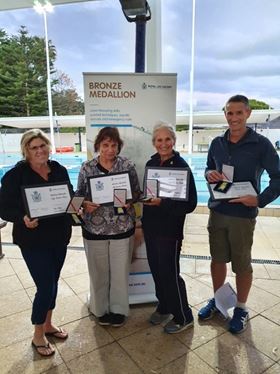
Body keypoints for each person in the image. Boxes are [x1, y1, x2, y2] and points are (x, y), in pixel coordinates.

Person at [198, 95, 280, 334]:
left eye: (238, 113)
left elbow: (278, 177)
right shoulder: (217, 143)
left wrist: (259, 199)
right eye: (229, 113)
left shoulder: (261, 144)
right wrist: (209, 173)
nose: (233, 118)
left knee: (242, 263)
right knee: (217, 260)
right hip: (218, 211)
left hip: (242, 216)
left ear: (248, 114)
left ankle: (241, 308)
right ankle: (219, 300)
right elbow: (207, 167)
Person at [0, 129, 72, 356]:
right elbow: (4, 207)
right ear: (26, 151)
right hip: (32, 239)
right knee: (45, 286)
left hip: (59, 236)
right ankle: (37, 334)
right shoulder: (15, 176)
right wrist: (22, 218)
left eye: (43, 146)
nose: (40, 150)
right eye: (34, 147)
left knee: (54, 282)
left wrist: (77, 205)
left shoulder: (58, 169)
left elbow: (67, 196)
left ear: (48, 147)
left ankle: (48, 324)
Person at [76, 127, 141, 327]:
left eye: (114, 145)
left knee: (120, 272)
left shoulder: (127, 165)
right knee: (98, 272)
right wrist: (84, 204)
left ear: (118, 146)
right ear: (98, 146)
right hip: (94, 230)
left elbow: (137, 193)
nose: (110, 149)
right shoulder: (87, 167)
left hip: (122, 229)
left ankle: (119, 310)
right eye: (105, 145)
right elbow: (78, 195)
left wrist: (129, 202)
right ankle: (99, 309)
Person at [141, 122, 197, 334]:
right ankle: (164, 306)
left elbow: (190, 203)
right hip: (151, 227)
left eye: (167, 139)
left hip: (170, 231)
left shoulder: (181, 167)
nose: (163, 144)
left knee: (170, 273)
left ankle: (183, 316)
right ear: (154, 142)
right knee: (156, 270)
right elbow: (150, 193)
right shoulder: (151, 163)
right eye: (159, 140)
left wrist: (162, 203)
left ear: (173, 141)